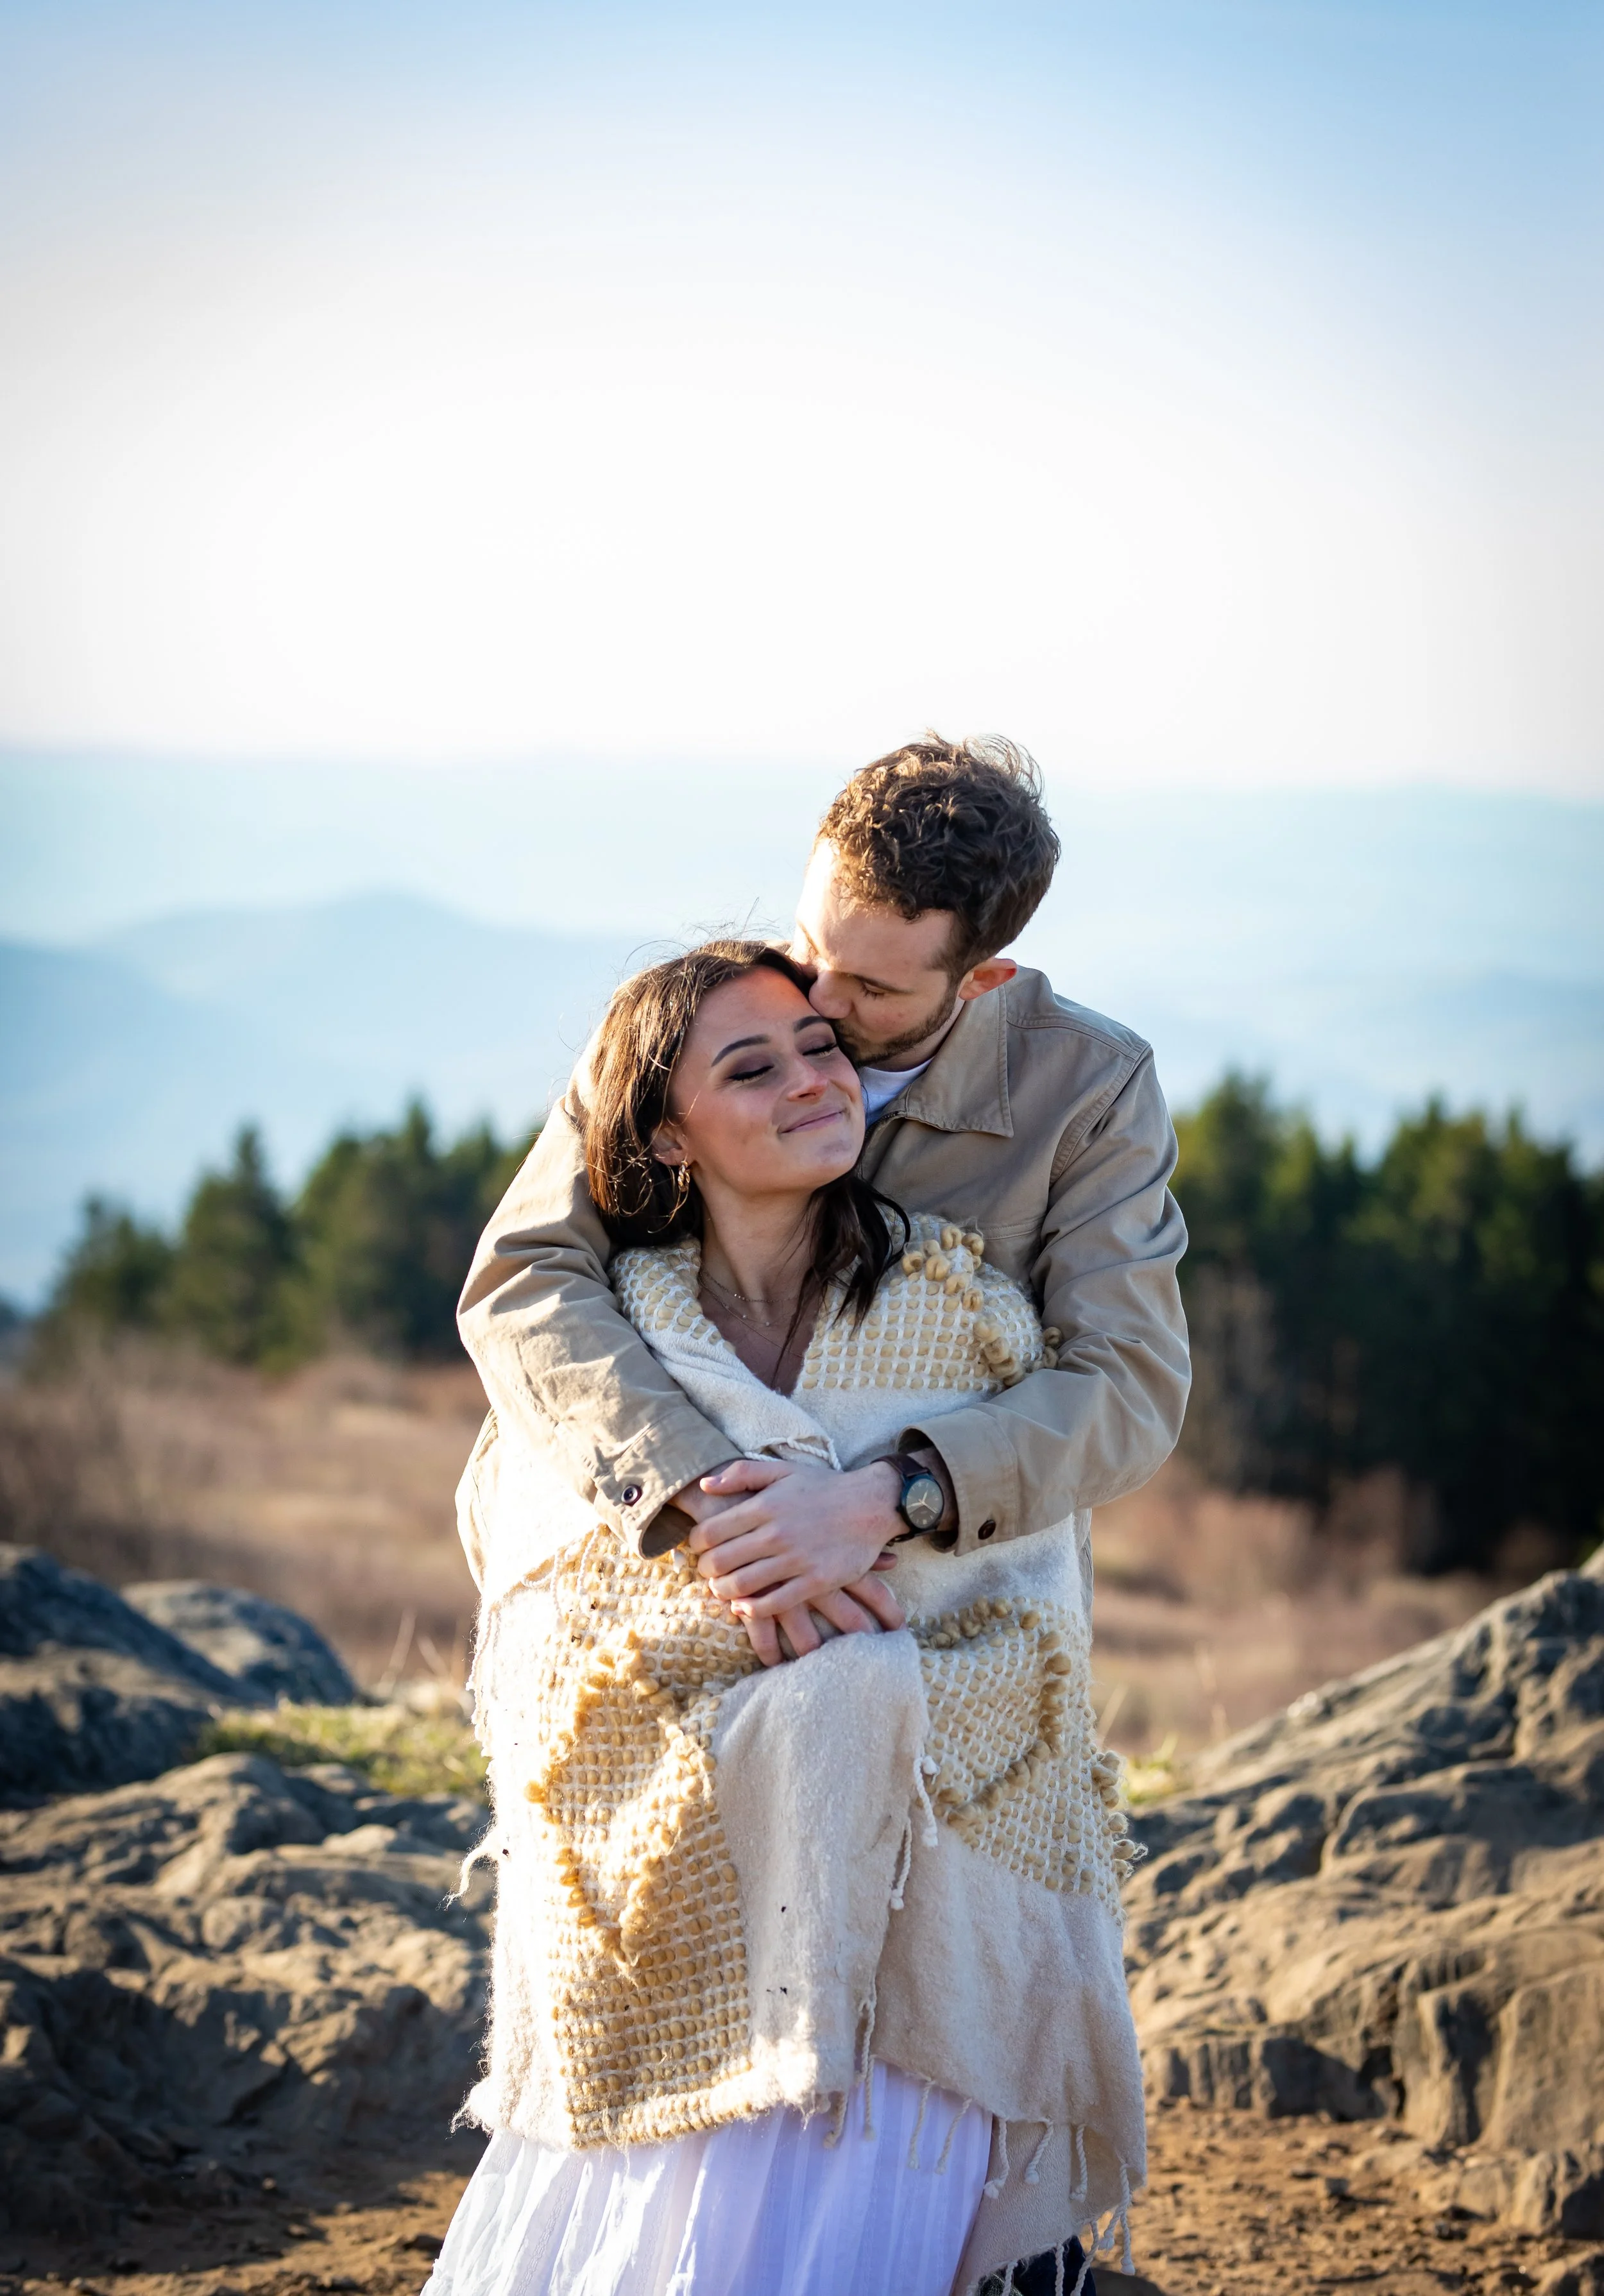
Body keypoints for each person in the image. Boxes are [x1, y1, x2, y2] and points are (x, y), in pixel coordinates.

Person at [432, 940, 1152, 2296]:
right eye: (751, 1067)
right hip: (679, 1921)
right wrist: (743, 1557)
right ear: (665, 1134)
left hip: (911, 1943)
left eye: (821, 1048)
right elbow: (555, 1613)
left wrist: (862, 1633)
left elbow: (1030, 1609)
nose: (815, 1077)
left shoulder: (961, 1319)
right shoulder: (611, 1340)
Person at [457, 735, 1190, 1660]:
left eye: (874, 987)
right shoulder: (686, 1017)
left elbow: (1128, 1385)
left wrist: (884, 1499)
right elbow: (526, 1275)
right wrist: (711, 1499)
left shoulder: (1090, 1089)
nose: (819, 996)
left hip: (927, 1587)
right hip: (647, 1534)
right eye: (812, 943)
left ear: (983, 979)